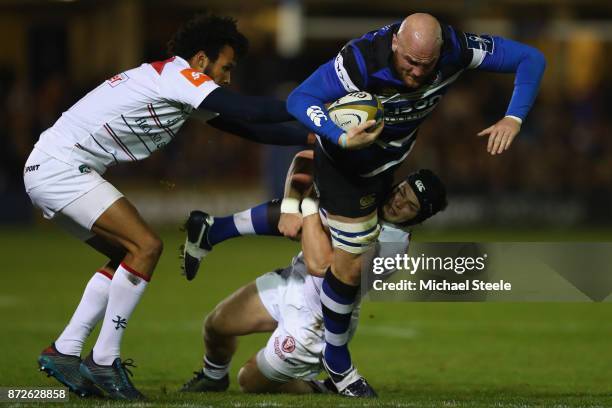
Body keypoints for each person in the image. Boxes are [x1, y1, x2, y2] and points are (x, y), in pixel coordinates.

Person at [27, 14, 309, 400]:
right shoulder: (179, 78)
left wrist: (314, 132)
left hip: (51, 166)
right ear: (199, 60)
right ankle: (104, 361)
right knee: (146, 246)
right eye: (225, 68)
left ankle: (66, 350)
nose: (227, 78)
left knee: (126, 254)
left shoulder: (175, 84)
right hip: (62, 168)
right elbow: (251, 110)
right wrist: (312, 104)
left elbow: (249, 128)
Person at [284, 13, 546, 395]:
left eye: (427, 64)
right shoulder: (360, 60)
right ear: (395, 44)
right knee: (349, 259)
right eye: (410, 61)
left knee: (343, 252)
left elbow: (531, 59)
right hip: (343, 160)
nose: (418, 72)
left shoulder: (457, 49)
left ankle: (217, 229)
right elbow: (299, 98)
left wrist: (514, 117)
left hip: (385, 164)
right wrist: (338, 137)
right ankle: (337, 361)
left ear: (440, 51)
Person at [180, 152, 447, 396]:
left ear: (418, 218)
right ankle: (213, 377)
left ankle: (321, 389)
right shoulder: (372, 195)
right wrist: (290, 205)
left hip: (316, 321)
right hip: (293, 281)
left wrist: (307, 206)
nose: (398, 202)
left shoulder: (390, 244)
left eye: (410, 206)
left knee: (248, 381)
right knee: (216, 325)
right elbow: (303, 159)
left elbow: (321, 263)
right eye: (402, 191)